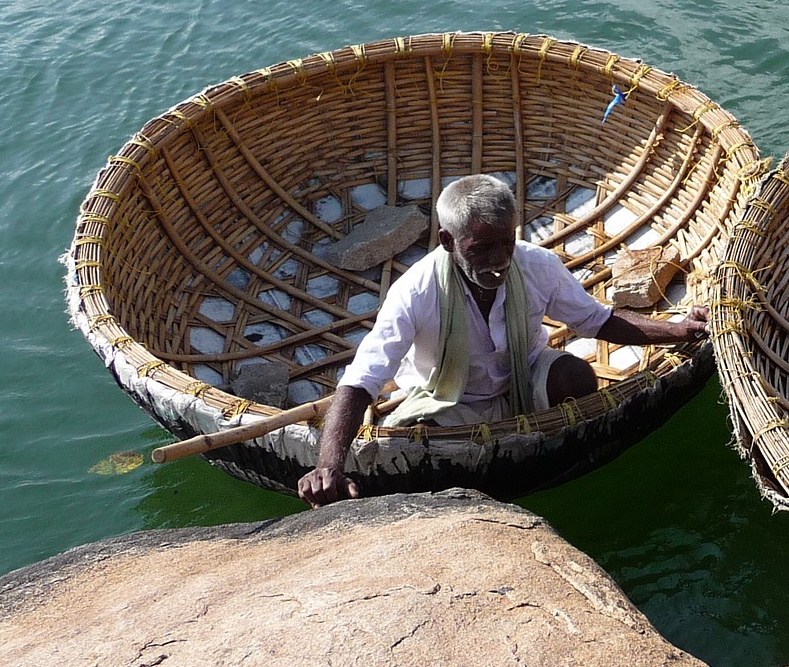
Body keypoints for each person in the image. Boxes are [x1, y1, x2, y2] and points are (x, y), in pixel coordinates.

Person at [297, 174, 707, 506]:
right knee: (416, 446)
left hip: (522, 377)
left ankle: (554, 453)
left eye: (507, 243)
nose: (499, 261)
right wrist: (329, 465)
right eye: (482, 250)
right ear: (447, 242)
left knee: (576, 376)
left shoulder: (536, 264)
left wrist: (677, 330)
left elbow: (596, 321)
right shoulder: (416, 291)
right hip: (451, 399)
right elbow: (361, 381)